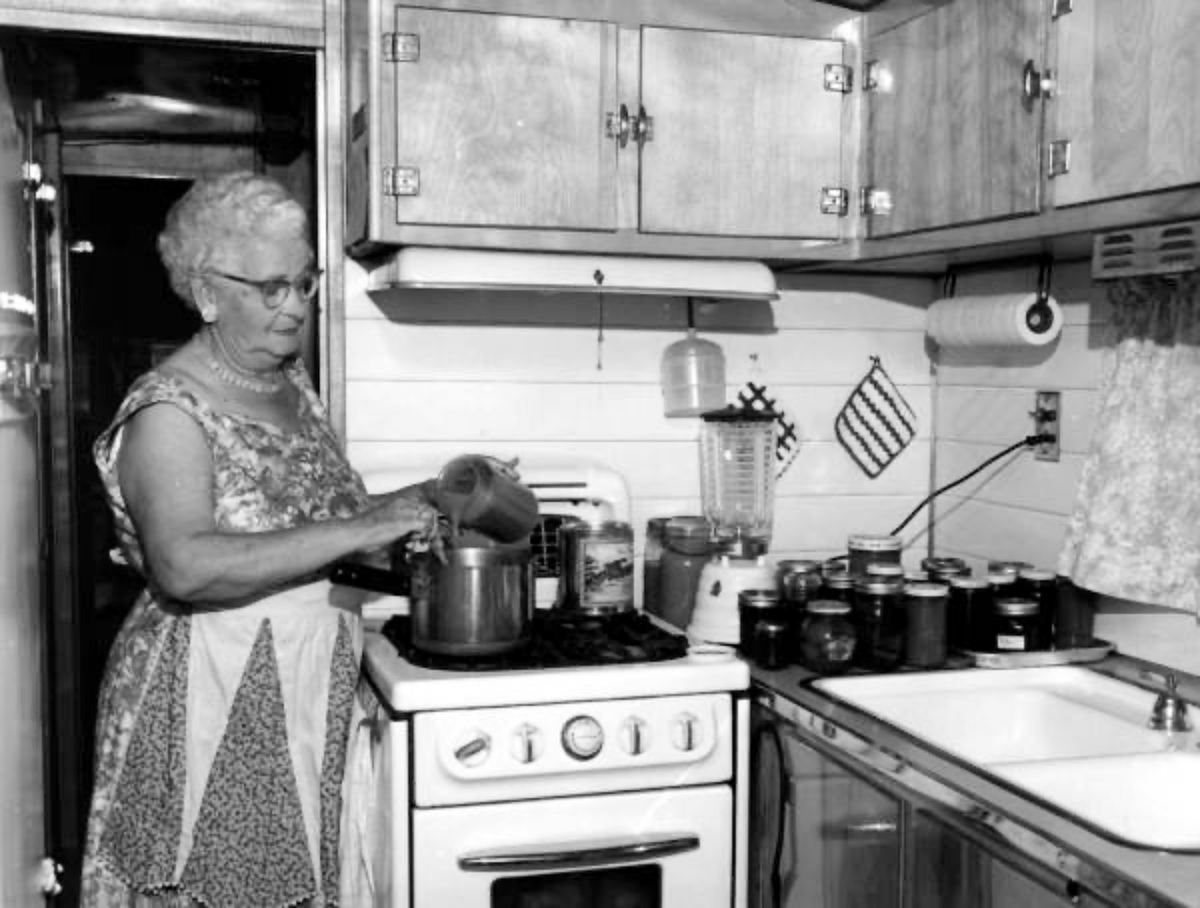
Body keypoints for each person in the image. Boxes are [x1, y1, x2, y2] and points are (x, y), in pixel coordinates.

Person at [80, 170, 437, 907]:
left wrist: (415, 501)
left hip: (306, 680)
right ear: (207, 291)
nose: (296, 307)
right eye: (271, 287)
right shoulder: (168, 412)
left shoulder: (290, 382)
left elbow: (302, 515)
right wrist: (362, 526)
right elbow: (184, 566)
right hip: (214, 694)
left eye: (303, 283)